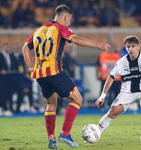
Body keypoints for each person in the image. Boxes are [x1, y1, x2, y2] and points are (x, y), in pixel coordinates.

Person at [22, 4, 110, 149]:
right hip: (54, 71)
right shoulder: (61, 28)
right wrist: (98, 45)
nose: (69, 23)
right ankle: (65, 134)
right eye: (69, 20)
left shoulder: (38, 30)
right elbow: (76, 39)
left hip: (40, 74)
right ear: (65, 17)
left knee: (51, 104)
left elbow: (25, 47)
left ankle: (51, 139)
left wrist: (30, 65)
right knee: (77, 99)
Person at [95, 36, 141, 143]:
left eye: (133, 46)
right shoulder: (121, 62)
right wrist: (102, 96)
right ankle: (95, 134)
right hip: (126, 92)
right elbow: (111, 77)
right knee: (112, 112)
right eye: (128, 47)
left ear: (138, 46)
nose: (131, 49)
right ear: (126, 47)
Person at [0, 43, 13, 116]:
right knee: (2, 93)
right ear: (2, 47)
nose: (7, 48)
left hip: (9, 78)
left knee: (8, 93)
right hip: (1, 78)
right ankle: (3, 108)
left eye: (8, 46)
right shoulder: (0, 56)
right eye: (5, 46)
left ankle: (7, 108)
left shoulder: (10, 56)